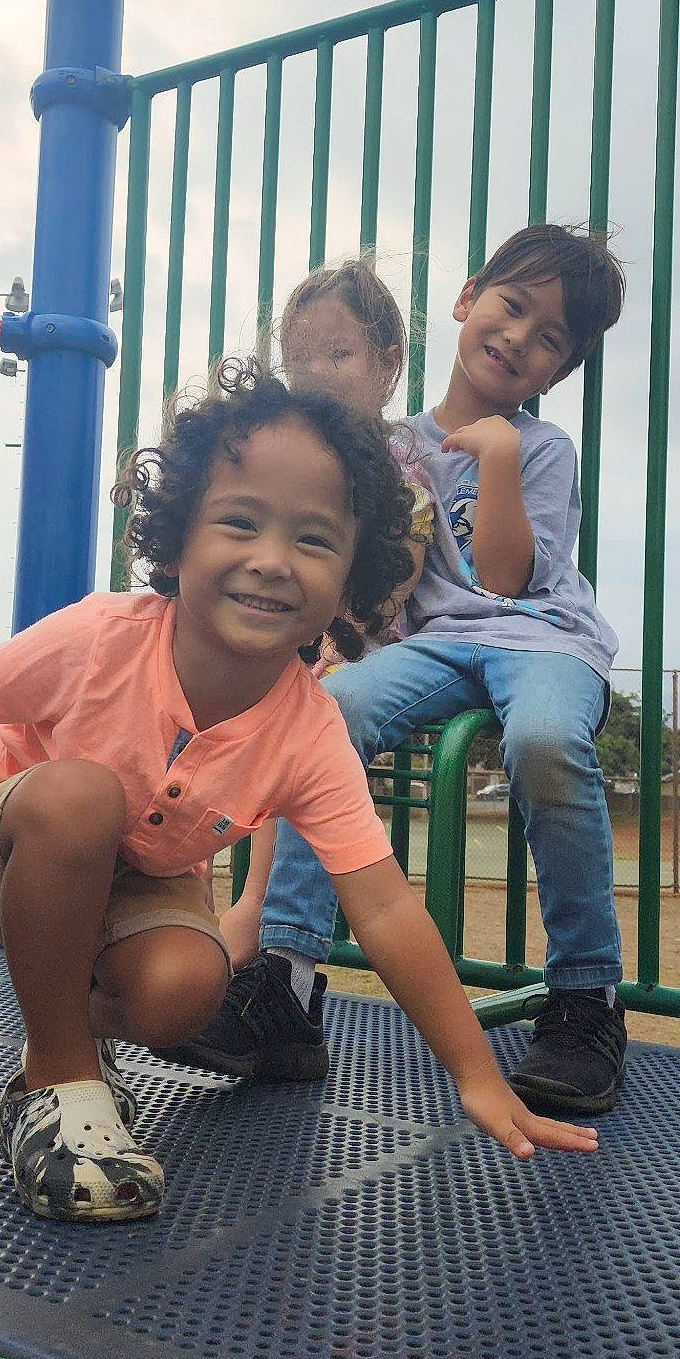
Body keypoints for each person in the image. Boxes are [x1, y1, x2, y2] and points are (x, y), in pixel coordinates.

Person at [0, 361, 599, 1226]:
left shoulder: (309, 729)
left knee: (186, 992)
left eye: (313, 540)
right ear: (178, 537)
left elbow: (381, 908)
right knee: (81, 797)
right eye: (239, 523)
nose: (271, 562)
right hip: (4, 841)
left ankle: (69, 1041)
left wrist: (475, 1075)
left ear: (354, 576)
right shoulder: (101, 636)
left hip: (137, 882)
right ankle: (57, 1078)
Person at [177, 226, 629, 1118]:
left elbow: (505, 578)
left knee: (542, 743)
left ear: (557, 370)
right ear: (467, 299)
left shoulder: (538, 449)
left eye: (550, 339)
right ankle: (288, 987)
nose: (519, 338)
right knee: (326, 716)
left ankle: (585, 999)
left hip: (543, 639)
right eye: (512, 307)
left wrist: (494, 457)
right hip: (432, 647)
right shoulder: (392, 446)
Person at [219, 257, 434, 972]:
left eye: (338, 354)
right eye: (298, 357)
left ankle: (253, 909)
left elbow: (382, 598)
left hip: (351, 644)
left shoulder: (401, 465)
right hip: (278, 631)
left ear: (386, 364)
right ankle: (167, 895)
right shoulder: (285, 449)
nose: (314, 373)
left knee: (299, 702)